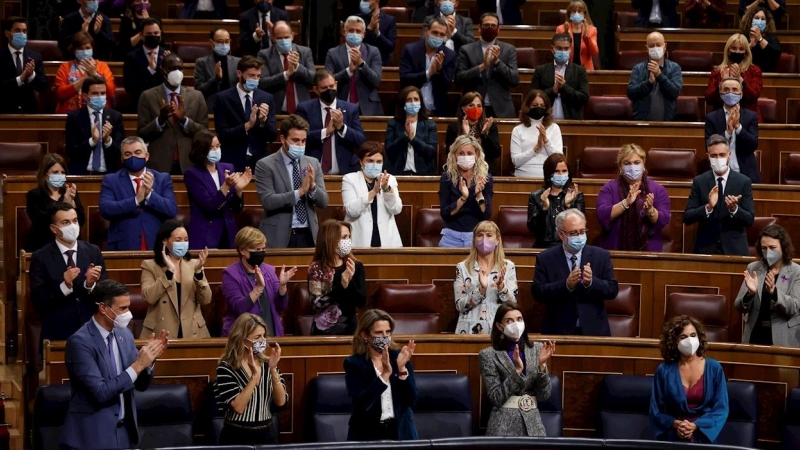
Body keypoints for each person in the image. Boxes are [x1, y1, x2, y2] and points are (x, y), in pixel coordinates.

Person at [59, 279, 167, 450]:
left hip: (124, 434)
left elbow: (140, 384)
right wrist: (138, 365)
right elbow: (100, 392)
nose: (128, 314)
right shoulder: (80, 343)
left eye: (128, 307)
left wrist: (149, 361)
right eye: (122, 308)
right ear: (103, 308)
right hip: (92, 436)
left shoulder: (125, 335)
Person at [30, 202, 104, 354]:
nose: (72, 226)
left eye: (75, 221)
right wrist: (65, 286)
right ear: (54, 229)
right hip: (57, 333)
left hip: (91, 332)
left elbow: (105, 294)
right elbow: (39, 302)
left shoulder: (93, 251)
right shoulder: (41, 257)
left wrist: (90, 284)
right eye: (66, 222)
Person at [532, 209, 619, 336]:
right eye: (573, 233)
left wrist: (591, 283)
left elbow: (612, 290)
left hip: (594, 331)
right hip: (558, 331)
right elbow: (537, 292)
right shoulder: (546, 258)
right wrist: (566, 285)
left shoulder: (601, 256)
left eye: (582, 232)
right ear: (561, 234)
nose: (579, 236)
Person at [649, 315, 729, 443]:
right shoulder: (664, 370)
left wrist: (695, 426)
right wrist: (677, 424)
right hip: (673, 435)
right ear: (674, 341)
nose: (690, 340)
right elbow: (656, 411)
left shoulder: (714, 368)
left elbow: (721, 409)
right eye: (683, 337)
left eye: (693, 335)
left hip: (704, 435)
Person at [479, 303, 555, 436]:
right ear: (499, 326)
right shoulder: (488, 355)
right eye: (509, 321)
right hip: (503, 425)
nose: (516, 324)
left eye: (519, 319)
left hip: (533, 426)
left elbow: (544, 395)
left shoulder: (537, 349)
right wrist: (517, 371)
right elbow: (496, 398)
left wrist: (542, 367)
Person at [255, 114, 329, 248]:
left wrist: (312, 187)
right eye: (295, 140)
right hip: (278, 235)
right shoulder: (265, 165)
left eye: (303, 141)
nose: (300, 145)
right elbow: (268, 201)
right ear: (283, 139)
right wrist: (300, 192)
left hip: (308, 234)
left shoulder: (313, 163)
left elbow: (323, 202)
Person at [344, 309, 418, 440]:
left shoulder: (399, 357)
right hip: (367, 434)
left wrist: (401, 368)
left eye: (388, 332)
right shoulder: (354, 364)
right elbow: (361, 404)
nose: (384, 337)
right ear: (365, 335)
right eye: (379, 333)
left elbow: (411, 400)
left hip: (401, 432)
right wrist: (385, 375)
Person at [215, 313, 288, 445]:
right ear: (242, 338)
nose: (262, 341)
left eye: (264, 336)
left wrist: (272, 370)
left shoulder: (268, 364)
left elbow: (281, 402)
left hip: (267, 434)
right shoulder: (226, 367)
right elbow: (238, 407)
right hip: (237, 436)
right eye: (257, 337)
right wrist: (254, 378)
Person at [99, 136, 178, 251]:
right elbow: (106, 209)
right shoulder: (111, 180)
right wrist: (136, 200)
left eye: (137, 152)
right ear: (122, 159)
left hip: (156, 244)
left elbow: (171, 210)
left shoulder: (162, 178)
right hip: (124, 245)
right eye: (128, 154)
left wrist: (149, 195)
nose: (133, 157)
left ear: (146, 156)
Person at [683, 134, 755, 256]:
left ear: (729, 155)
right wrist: (708, 207)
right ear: (708, 157)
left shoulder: (743, 182)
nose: (718, 159)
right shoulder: (700, 181)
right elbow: (687, 217)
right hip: (706, 249)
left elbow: (749, 220)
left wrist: (734, 209)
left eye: (722, 155)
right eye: (714, 156)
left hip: (735, 250)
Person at [137, 54, 208, 175]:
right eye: (173, 68)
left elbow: (204, 132)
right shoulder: (147, 96)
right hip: (159, 164)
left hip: (189, 162)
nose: (177, 72)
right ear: (163, 71)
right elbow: (142, 133)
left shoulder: (197, 96)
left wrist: (184, 120)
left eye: (180, 68)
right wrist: (160, 120)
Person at [140, 219, 211, 339]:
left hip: (193, 332)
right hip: (160, 333)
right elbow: (149, 297)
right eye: (178, 240)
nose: (183, 243)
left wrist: (198, 273)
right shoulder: (150, 266)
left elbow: (206, 300)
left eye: (186, 240)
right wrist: (169, 273)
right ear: (165, 241)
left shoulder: (195, 264)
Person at [222, 227, 297, 337]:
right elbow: (239, 308)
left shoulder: (270, 270)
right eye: (257, 250)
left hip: (270, 333)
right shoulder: (230, 274)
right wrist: (259, 288)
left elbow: (281, 306)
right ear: (242, 250)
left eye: (263, 249)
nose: (261, 253)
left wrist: (282, 286)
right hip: (243, 336)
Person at [596, 144, 671, 252]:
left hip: (649, 252)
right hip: (615, 250)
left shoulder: (658, 189)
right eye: (627, 163)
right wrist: (625, 203)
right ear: (620, 167)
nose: (632, 167)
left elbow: (663, 220)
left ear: (643, 164)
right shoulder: (609, 188)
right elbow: (602, 215)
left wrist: (650, 210)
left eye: (636, 163)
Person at [734, 224, 800, 346]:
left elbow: (793, 307)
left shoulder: (796, 271)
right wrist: (750, 294)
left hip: (783, 338)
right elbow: (739, 306)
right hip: (755, 334)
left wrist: (774, 292)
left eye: (772, 247)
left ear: (783, 247)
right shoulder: (753, 267)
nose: (768, 252)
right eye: (764, 248)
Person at [184, 129, 250, 250]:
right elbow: (210, 207)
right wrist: (226, 186)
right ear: (201, 150)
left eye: (218, 146)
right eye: (211, 148)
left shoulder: (228, 167)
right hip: (205, 236)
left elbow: (236, 209)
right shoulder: (192, 174)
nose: (216, 150)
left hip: (228, 234)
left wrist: (238, 191)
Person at [296, 69, 367, 175]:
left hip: (345, 172)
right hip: (313, 172)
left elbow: (361, 141)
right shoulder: (305, 109)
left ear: (336, 85)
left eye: (331, 86)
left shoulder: (351, 109)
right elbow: (300, 137)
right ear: (316, 89)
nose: (329, 90)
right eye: (324, 88)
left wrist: (342, 128)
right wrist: (325, 132)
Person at [213, 56, 278, 172]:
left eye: (258, 76)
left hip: (260, 160)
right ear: (239, 74)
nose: (255, 79)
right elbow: (222, 133)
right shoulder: (223, 98)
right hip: (233, 159)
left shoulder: (266, 98)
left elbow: (272, 136)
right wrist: (247, 126)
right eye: (251, 75)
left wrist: (263, 122)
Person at [455, 221, 518, 334]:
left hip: (500, 330)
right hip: (469, 330)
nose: (484, 239)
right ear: (474, 240)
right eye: (480, 235)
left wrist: (501, 287)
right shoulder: (463, 267)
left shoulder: (508, 266)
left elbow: (513, 304)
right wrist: (481, 290)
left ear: (497, 240)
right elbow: (460, 305)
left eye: (489, 235)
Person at [455, 13, 519, 118]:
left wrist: (497, 62)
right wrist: (482, 66)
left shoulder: (508, 49)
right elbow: (459, 79)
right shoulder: (466, 50)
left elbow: (514, 79)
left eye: (493, 26)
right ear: (479, 28)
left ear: (498, 30)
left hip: (501, 108)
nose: (490, 28)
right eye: (486, 25)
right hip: (472, 107)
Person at [308, 219, 367, 335]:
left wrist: (350, 282)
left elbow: (361, 302)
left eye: (349, 237)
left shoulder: (356, 265)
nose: (348, 241)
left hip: (349, 329)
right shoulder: (316, 268)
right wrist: (341, 285)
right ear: (330, 239)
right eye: (344, 237)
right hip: (323, 331)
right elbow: (316, 304)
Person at [342, 142, 404, 247]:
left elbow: (396, 209)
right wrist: (373, 192)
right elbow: (351, 210)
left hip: (387, 243)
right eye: (370, 161)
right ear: (361, 162)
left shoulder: (389, 179)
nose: (375, 165)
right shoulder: (349, 179)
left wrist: (386, 189)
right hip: (359, 242)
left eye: (379, 162)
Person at [438, 135, 493, 247]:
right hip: (451, 237)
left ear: (476, 155)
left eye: (469, 153)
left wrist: (479, 195)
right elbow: (445, 214)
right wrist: (463, 198)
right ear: (455, 155)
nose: (465, 157)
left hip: (476, 237)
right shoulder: (447, 178)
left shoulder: (485, 178)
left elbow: (486, 215)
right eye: (461, 153)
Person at [65, 74, 124, 175]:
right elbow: (71, 152)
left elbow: (120, 151)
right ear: (85, 96)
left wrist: (108, 140)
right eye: (95, 93)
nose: (100, 97)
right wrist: (92, 141)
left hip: (109, 175)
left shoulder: (115, 117)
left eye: (103, 93)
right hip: (82, 174)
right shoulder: (74, 118)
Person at [26, 154, 87, 252]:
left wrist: (72, 204)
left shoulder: (69, 192)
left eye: (62, 172)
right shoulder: (35, 195)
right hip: (43, 245)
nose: (60, 175)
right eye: (55, 172)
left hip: (69, 244)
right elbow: (41, 222)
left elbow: (81, 221)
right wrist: (64, 204)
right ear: (45, 174)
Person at [325, 16, 384, 116]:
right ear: (344, 32)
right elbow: (328, 81)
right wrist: (348, 71)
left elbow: (376, 81)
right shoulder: (333, 53)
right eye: (351, 30)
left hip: (367, 106)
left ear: (363, 34)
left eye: (358, 31)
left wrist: (361, 64)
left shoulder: (373, 52)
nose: (354, 34)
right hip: (340, 105)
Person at [704, 78, 759, 182]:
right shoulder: (711, 118)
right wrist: (728, 132)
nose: (730, 93)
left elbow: (753, 144)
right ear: (721, 94)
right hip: (718, 174)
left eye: (734, 90)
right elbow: (708, 147)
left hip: (746, 174)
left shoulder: (751, 116)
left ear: (741, 94)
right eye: (726, 90)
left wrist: (738, 127)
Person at [399, 16, 457, 117]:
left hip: (436, 111)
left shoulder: (449, 55)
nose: (438, 37)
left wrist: (439, 70)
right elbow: (405, 79)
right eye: (435, 33)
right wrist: (428, 73)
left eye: (442, 34)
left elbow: (446, 86)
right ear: (427, 32)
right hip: (410, 110)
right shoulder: (410, 50)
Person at [256, 20, 315, 115]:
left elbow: (314, 79)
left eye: (286, 37)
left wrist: (297, 67)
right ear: (273, 38)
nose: (283, 41)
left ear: (292, 35)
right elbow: (262, 82)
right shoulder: (264, 55)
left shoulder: (305, 52)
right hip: (277, 110)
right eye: (279, 38)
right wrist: (286, 74)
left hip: (303, 110)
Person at [527, 153, 584, 249]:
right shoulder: (536, 196)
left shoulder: (577, 196)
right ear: (549, 174)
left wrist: (568, 206)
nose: (561, 175)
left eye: (564, 171)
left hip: (568, 247)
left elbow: (579, 227)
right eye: (557, 171)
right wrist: (544, 208)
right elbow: (533, 228)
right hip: (543, 247)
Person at [705, 33, 763, 122]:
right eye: (734, 48)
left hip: (748, 119)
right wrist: (722, 83)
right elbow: (709, 99)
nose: (737, 52)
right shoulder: (717, 71)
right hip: (721, 119)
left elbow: (753, 96)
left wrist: (740, 78)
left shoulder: (754, 70)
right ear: (728, 51)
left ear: (746, 52)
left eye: (741, 49)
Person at [531, 33, 590, 120]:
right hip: (545, 121)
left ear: (570, 49)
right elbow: (532, 97)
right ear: (552, 49)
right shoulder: (541, 70)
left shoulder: (579, 71)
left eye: (566, 49)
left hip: (571, 122)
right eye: (559, 48)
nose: (563, 51)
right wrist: (553, 90)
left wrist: (564, 87)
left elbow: (584, 99)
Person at [627, 32, 684, 121]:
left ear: (664, 47)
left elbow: (675, 92)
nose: (655, 48)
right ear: (647, 48)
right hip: (641, 123)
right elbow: (631, 93)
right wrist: (648, 83)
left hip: (667, 124)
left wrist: (659, 75)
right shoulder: (638, 68)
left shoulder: (674, 68)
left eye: (658, 45)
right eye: (651, 45)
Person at [54, 32, 115, 114]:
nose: (84, 51)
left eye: (87, 48)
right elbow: (61, 93)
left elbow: (111, 93)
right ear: (74, 50)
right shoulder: (65, 67)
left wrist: (95, 75)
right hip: (70, 114)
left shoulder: (103, 66)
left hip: (99, 114)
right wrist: (83, 79)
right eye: (80, 48)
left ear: (92, 49)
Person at [384, 86, 439, 175]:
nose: (413, 103)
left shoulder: (430, 125)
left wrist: (413, 139)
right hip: (398, 173)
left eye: (416, 99)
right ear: (403, 104)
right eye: (409, 100)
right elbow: (389, 150)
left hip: (423, 174)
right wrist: (405, 135)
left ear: (421, 103)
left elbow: (431, 152)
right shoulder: (393, 124)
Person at [511, 89, 563, 177]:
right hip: (523, 176)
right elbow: (516, 161)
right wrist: (536, 149)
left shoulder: (554, 128)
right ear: (527, 107)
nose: (539, 108)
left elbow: (559, 159)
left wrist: (546, 142)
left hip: (548, 176)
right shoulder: (517, 130)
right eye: (535, 105)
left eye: (542, 106)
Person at [445, 92, 501, 174]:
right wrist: (465, 136)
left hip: (484, 171)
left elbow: (495, 153)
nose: (476, 109)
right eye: (471, 105)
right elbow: (449, 154)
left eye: (479, 106)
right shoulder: (453, 127)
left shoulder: (490, 126)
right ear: (463, 108)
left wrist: (484, 134)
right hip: (458, 170)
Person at [1, 17, 47, 114]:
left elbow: (42, 87)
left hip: (29, 111)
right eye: (18, 31)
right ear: (7, 34)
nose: (22, 34)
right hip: (5, 111)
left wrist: (31, 76)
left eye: (24, 31)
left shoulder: (35, 56)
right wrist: (20, 79)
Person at [123, 17, 167, 112]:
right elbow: (129, 86)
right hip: (139, 105)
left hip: (164, 105)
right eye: (149, 34)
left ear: (161, 33)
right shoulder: (131, 57)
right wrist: (150, 70)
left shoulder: (169, 56)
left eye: (156, 33)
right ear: (141, 36)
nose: (153, 36)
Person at [194, 28, 242, 104]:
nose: (224, 45)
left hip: (234, 104)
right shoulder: (202, 62)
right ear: (211, 42)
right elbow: (199, 91)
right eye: (220, 42)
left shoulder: (238, 62)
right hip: (212, 105)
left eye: (227, 41)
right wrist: (216, 78)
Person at [555, 1, 599, 71]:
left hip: (586, 70)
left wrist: (586, 37)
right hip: (566, 69)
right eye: (573, 11)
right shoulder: (561, 29)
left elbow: (594, 52)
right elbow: (558, 52)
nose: (576, 14)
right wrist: (566, 36)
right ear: (569, 14)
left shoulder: (591, 30)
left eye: (579, 11)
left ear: (584, 13)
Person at [741, 7, 782, 73]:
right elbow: (737, 55)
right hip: (746, 73)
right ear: (750, 20)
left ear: (767, 22)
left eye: (763, 19)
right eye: (756, 18)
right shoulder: (743, 36)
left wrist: (760, 39)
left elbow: (776, 54)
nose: (759, 21)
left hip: (767, 74)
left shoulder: (771, 37)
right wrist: (750, 45)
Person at [359, 0, 397, 66]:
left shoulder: (389, 20)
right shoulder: (357, 19)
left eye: (366, 0)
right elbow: (355, 44)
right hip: (361, 62)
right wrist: (369, 29)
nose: (363, 2)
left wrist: (377, 34)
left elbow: (390, 47)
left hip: (382, 63)